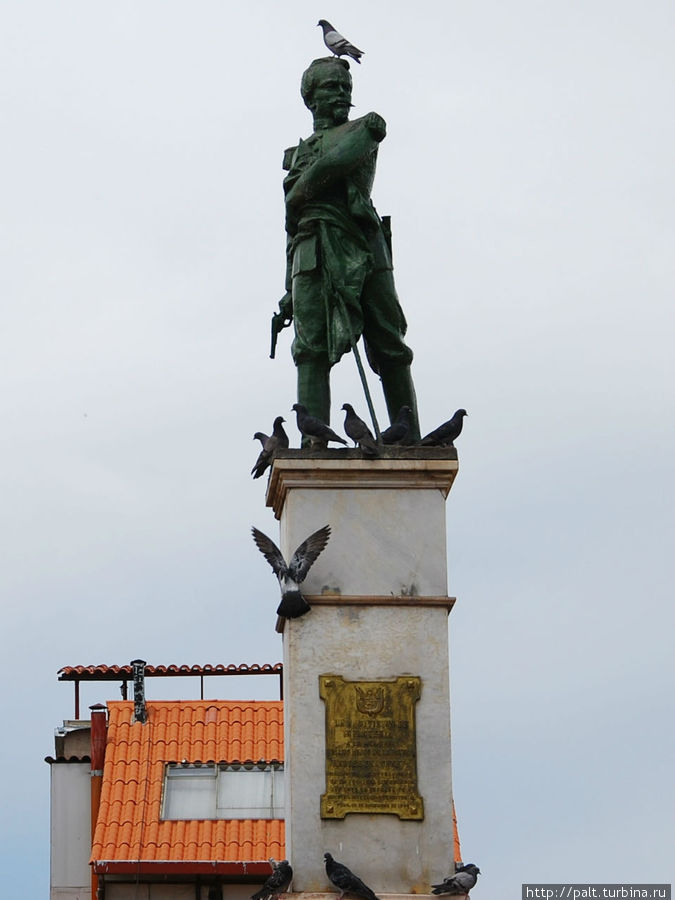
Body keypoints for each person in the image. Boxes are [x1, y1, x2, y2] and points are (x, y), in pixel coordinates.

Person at [271, 57, 420, 440]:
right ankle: (313, 442)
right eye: (331, 87)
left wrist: (300, 191)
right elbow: (292, 224)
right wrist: (289, 290)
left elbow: (333, 167)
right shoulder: (297, 153)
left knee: (390, 342)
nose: (341, 94)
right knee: (310, 349)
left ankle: (410, 438)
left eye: (345, 87)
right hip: (310, 249)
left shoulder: (366, 128)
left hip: (364, 243)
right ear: (310, 98)